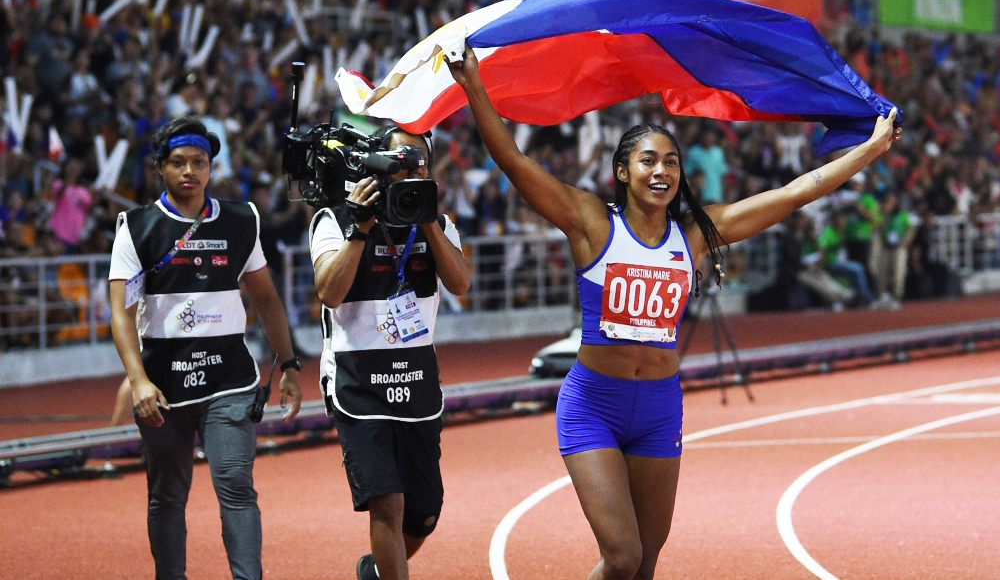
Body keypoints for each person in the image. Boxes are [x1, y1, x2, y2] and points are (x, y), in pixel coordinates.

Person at [447, 47, 899, 580]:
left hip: (660, 408)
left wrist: (869, 151)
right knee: (622, 556)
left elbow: (799, 191)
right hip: (595, 403)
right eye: (648, 161)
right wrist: (474, 86)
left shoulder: (696, 235)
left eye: (671, 162)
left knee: (647, 563)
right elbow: (514, 162)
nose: (661, 172)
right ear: (623, 170)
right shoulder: (591, 222)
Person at [108, 117, 303, 580]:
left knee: (236, 487)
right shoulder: (136, 227)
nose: (189, 171)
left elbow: (267, 299)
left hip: (229, 381)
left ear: (211, 167)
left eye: (199, 162)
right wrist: (137, 380)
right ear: (160, 168)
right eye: (178, 162)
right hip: (163, 388)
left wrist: (290, 363)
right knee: (167, 497)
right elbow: (120, 312)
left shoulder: (241, 220)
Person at [309, 125, 471, 580]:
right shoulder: (333, 219)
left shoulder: (439, 222)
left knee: (424, 513)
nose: (411, 169)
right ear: (377, 163)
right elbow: (329, 292)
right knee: (388, 501)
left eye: (419, 161)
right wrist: (361, 229)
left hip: (416, 378)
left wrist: (427, 221)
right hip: (357, 380)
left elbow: (460, 283)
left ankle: (376, 572)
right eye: (400, 159)